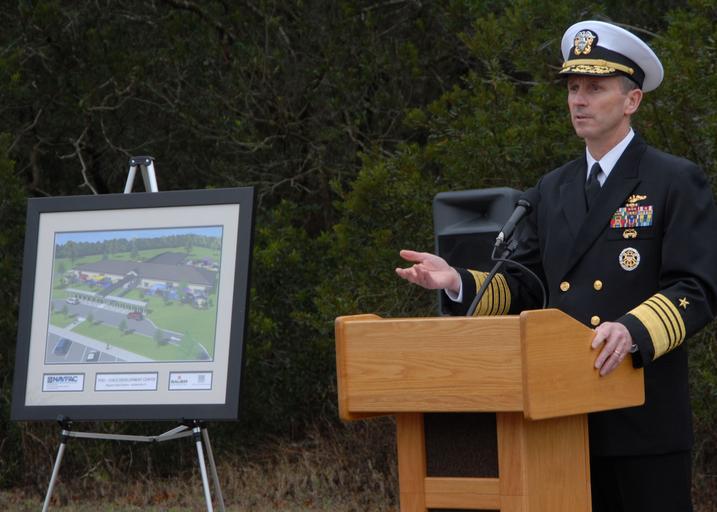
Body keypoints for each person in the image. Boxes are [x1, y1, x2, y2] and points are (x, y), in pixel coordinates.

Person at [396, 20, 717, 512]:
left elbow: (696, 288)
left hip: (641, 420)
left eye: (595, 88)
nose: (578, 101)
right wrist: (456, 280)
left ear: (632, 100)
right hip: (560, 421)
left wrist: (631, 331)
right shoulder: (552, 188)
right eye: (572, 88)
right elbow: (525, 285)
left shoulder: (672, 179)